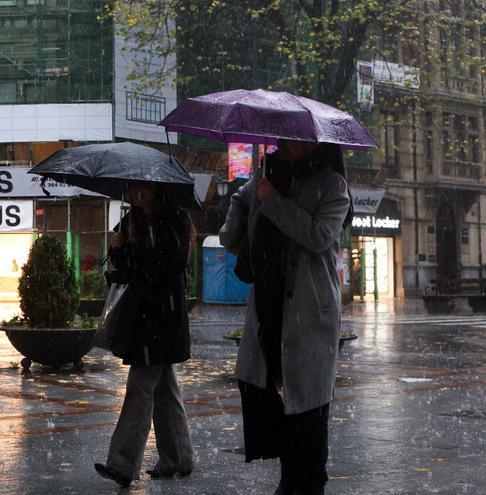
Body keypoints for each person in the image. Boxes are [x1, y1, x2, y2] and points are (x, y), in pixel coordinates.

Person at [219, 141, 352, 495]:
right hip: (269, 303)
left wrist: (274, 201)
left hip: (309, 309)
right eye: (285, 138)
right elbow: (235, 218)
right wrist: (244, 210)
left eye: (297, 139)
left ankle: (308, 480)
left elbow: (319, 236)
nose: (288, 144)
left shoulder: (332, 184)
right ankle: (290, 476)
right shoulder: (267, 173)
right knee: (267, 393)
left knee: (308, 404)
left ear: (315, 143)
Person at [94, 181, 195, 488]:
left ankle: (122, 464)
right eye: (133, 189)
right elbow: (128, 271)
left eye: (144, 189)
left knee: (140, 388)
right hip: (143, 320)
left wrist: (128, 249)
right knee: (164, 390)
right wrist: (116, 249)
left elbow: (164, 265)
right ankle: (178, 458)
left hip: (162, 319)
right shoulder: (132, 221)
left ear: (158, 190)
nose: (137, 195)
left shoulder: (174, 222)